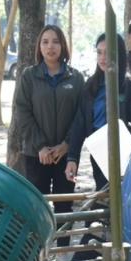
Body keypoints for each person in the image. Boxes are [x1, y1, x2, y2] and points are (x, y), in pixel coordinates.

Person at [13, 24, 85, 213]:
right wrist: (40, 146)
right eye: (45, 42)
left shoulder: (76, 78)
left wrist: (67, 145)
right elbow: (23, 112)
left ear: (63, 46)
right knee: (37, 208)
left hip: (66, 156)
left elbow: (81, 116)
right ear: (39, 47)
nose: (50, 46)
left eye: (55, 42)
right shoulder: (29, 76)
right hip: (36, 155)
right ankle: (42, 236)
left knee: (64, 206)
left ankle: (63, 235)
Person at [66, 33, 131, 189]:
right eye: (99, 52)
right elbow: (80, 123)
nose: (103, 58)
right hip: (98, 151)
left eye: (108, 53)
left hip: (124, 155)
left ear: (119, 55)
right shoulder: (91, 85)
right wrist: (72, 158)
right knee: (103, 194)